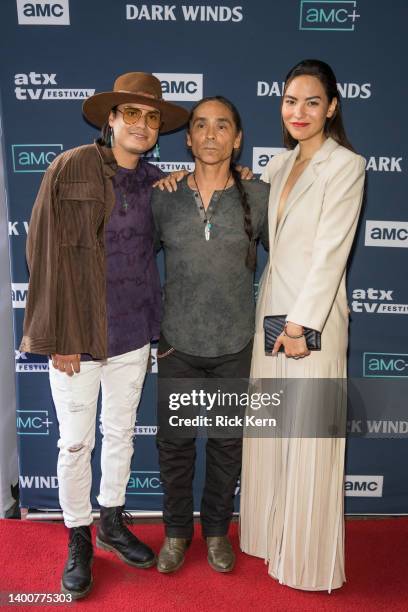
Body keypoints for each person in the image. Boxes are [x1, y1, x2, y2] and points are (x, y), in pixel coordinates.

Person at [20, 72, 189, 599]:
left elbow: (205, 207)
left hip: (134, 332)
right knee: (75, 443)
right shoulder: (69, 167)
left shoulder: (158, 182)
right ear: (111, 119)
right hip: (78, 336)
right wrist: (60, 334)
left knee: (119, 434)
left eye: (151, 116)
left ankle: (112, 522)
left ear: (159, 128)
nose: (141, 124)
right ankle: (77, 535)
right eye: (131, 114)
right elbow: (41, 255)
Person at [239, 59, 366, 592]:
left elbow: (331, 254)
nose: (299, 111)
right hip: (269, 312)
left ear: (331, 107)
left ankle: (308, 562)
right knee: (271, 433)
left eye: (312, 101)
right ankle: (270, 538)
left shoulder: (346, 165)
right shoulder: (280, 165)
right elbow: (242, 194)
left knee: (310, 439)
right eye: (291, 100)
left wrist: (299, 326)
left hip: (310, 320)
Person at [151, 96, 269, 574]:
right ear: (189, 137)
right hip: (178, 345)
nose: (212, 134)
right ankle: (177, 533)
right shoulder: (164, 196)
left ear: (237, 140)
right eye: (201, 125)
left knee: (225, 445)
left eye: (223, 126)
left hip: (234, 348)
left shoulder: (259, 196)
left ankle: (217, 532)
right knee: (175, 448)